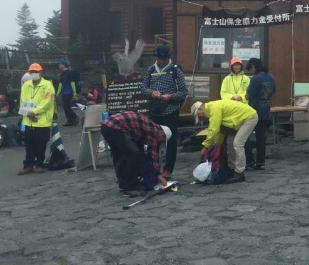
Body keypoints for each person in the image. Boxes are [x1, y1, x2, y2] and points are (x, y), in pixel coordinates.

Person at [142, 45, 188, 178]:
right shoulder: (150, 70)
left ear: (168, 57)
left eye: (164, 58)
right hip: (154, 110)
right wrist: (151, 92)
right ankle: (153, 167)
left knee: (171, 141)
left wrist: (171, 96)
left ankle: (167, 169)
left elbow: (183, 92)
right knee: (153, 139)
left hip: (170, 110)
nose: (162, 61)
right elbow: (144, 88)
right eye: (160, 58)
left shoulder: (176, 71)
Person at [100, 111, 168, 196]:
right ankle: (130, 187)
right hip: (115, 127)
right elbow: (154, 154)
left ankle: (123, 183)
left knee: (121, 156)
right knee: (133, 155)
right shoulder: (155, 131)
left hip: (106, 126)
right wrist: (158, 174)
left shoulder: (148, 126)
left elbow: (139, 146)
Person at [192, 99, 258, 183]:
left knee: (237, 144)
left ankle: (240, 172)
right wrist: (217, 144)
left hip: (249, 117)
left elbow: (214, 130)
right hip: (243, 117)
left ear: (200, 109)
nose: (201, 118)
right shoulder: (213, 108)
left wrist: (206, 146)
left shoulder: (214, 109)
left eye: (198, 116)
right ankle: (233, 169)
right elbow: (219, 131)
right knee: (230, 143)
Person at [18, 63, 56, 175]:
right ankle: (28, 165)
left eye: (36, 72)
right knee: (29, 144)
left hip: (42, 120)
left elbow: (47, 102)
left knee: (41, 144)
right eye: (32, 72)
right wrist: (28, 113)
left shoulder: (48, 85)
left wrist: (35, 112)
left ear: (41, 72)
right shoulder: (26, 85)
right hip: (28, 120)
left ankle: (39, 164)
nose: (34, 74)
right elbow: (23, 100)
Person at [245, 58, 276, 170]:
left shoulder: (255, 78)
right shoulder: (271, 77)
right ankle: (260, 162)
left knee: (245, 136)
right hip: (265, 110)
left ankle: (249, 162)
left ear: (254, 66)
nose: (251, 71)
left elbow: (249, 95)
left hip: (253, 111)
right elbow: (273, 91)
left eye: (251, 69)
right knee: (261, 137)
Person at [57, 59, 80, 126]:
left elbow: (72, 82)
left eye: (60, 64)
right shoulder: (62, 74)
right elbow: (61, 83)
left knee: (66, 105)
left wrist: (74, 92)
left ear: (63, 64)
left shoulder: (69, 72)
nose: (59, 65)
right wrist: (58, 91)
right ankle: (70, 120)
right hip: (64, 92)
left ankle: (74, 117)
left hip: (69, 92)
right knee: (65, 106)